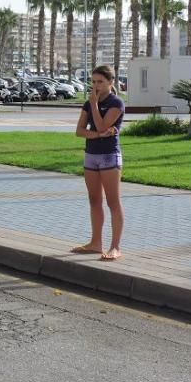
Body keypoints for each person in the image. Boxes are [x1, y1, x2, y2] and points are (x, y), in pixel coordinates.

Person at [73, 64, 125, 261]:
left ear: (111, 83)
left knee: (113, 202)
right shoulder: (88, 103)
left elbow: (104, 124)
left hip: (109, 156)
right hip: (91, 155)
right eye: (93, 81)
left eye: (100, 82)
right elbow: (79, 131)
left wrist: (94, 105)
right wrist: (97, 135)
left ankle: (115, 247)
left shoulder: (116, 103)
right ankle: (95, 243)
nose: (96, 85)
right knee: (94, 200)